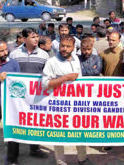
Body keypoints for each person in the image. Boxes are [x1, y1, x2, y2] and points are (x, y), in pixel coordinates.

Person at [42, 35, 92, 165]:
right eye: (62, 46)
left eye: (68, 46)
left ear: (73, 48)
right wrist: (65, 78)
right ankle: (61, 161)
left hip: (76, 104)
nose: (64, 49)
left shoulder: (76, 59)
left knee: (79, 132)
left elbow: (79, 81)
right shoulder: (51, 62)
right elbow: (45, 84)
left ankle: (82, 159)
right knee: (58, 135)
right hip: (58, 105)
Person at [9, 28, 49, 161]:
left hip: (36, 97)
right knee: (14, 123)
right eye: (33, 37)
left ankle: (34, 148)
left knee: (35, 123)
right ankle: (13, 156)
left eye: (37, 36)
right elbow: (10, 74)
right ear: (25, 39)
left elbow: (46, 75)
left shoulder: (44, 55)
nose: (36, 39)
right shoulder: (14, 54)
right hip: (17, 97)